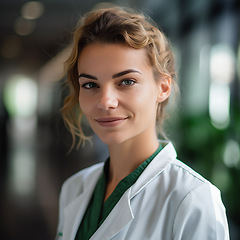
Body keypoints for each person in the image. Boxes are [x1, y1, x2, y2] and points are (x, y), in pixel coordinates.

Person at [56, 6, 229, 240]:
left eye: (126, 81)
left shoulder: (193, 199)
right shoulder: (74, 188)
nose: (106, 101)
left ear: (163, 88)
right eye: (90, 85)